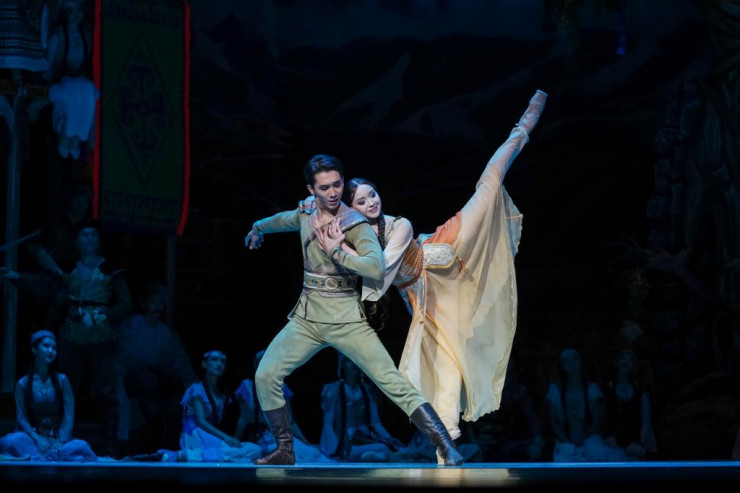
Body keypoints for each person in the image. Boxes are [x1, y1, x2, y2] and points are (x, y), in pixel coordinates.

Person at [301, 90, 547, 460]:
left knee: (488, 185)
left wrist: (341, 249)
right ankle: (446, 447)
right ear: (352, 210)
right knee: (436, 375)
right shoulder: (355, 235)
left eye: (372, 195)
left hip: (447, 250)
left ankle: (523, 126)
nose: (371, 202)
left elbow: (380, 273)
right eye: (362, 201)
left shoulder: (397, 225)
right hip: (429, 300)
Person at [244, 153, 464, 466]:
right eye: (324, 188)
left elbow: (375, 268)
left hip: (346, 319)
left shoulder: (354, 224)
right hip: (307, 319)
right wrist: (258, 228)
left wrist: (337, 251)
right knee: (266, 374)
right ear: (311, 190)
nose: (333, 192)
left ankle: (446, 445)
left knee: (392, 382)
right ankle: (285, 449)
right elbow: (285, 220)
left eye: (337, 184)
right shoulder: (307, 211)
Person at [115, 282, 198, 455]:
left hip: (155, 385)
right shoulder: (131, 326)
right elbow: (120, 359)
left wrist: (194, 386)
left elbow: (180, 363)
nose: (158, 306)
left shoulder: (167, 334)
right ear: (145, 303)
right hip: (128, 380)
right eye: (154, 301)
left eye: (161, 302)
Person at [0, 330, 97, 462]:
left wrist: (60, 440)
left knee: (82, 446)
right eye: (46, 346)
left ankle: (43, 456)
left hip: (57, 439)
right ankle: (47, 456)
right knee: (10, 441)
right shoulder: (23, 383)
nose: (51, 351)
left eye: (54, 348)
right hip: (33, 439)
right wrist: (38, 438)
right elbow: (21, 418)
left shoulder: (62, 380)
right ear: (35, 349)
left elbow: (69, 415)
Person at [235, 350, 333, 463]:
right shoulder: (247, 386)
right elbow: (243, 418)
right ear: (256, 365)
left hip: (280, 436)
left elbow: (290, 421)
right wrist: (235, 440)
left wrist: (306, 442)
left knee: (312, 453)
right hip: (258, 437)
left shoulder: (282, 388)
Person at [174, 350, 261, 463]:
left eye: (223, 361)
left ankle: (197, 455)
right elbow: (200, 421)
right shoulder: (197, 389)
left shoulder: (221, 395)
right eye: (214, 360)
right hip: (195, 433)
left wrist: (228, 438)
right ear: (204, 364)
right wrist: (225, 437)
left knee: (255, 449)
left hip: (211, 435)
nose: (219, 364)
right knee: (237, 453)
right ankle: (185, 455)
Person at [546, 348, 629, 462]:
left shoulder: (591, 389)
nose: (571, 364)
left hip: (589, 438)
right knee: (566, 458)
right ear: (562, 366)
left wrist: (583, 437)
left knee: (602, 454)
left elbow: (596, 421)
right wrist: (566, 440)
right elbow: (553, 423)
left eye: (575, 359)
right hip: (564, 441)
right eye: (566, 361)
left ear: (581, 361)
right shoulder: (555, 390)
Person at [319, 352, 406, 462]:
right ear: (342, 365)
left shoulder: (368, 390)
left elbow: (376, 423)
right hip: (342, 440)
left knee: (391, 446)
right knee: (351, 453)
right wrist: (336, 449)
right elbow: (328, 426)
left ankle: (371, 455)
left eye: (357, 360)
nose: (354, 364)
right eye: (349, 361)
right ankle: (369, 456)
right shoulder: (332, 389)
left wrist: (388, 438)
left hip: (365, 439)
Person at [602, 348, 658, 460]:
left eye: (630, 360)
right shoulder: (608, 388)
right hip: (611, 435)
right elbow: (602, 415)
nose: (626, 362)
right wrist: (606, 435)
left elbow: (646, 421)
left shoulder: (641, 392)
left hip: (633, 437)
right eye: (622, 359)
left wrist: (641, 440)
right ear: (616, 362)